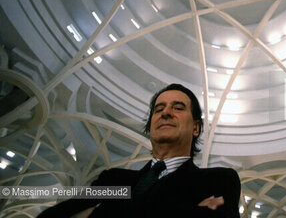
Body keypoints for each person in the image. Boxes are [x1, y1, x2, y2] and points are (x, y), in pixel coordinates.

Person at [38, 83, 241, 217]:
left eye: (178, 108)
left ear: (196, 127)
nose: (166, 113)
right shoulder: (115, 180)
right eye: (158, 109)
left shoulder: (219, 180)